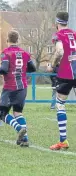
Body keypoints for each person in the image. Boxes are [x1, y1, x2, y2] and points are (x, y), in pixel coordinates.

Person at [0, 30, 36, 147]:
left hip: (10, 87)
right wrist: (21, 70)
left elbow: (4, 68)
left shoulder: (6, 53)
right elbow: (33, 68)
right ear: (18, 40)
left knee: (1, 114)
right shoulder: (25, 53)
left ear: (7, 40)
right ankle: (24, 139)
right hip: (22, 87)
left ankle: (19, 128)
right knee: (18, 113)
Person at [49, 12, 76, 150]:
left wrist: (52, 65)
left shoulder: (58, 35)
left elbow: (59, 51)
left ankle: (63, 141)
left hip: (66, 74)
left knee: (60, 104)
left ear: (56, 23)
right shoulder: (74, 33)